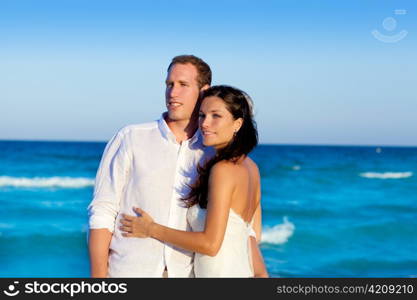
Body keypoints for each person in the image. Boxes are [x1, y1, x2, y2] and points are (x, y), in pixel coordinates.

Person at [88, 55, 267, 277]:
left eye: (183, 85)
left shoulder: (217, 157)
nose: (173, 93)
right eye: (169, 84)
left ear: (203, 90)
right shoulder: (131, 138)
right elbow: (103, 212)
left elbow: (244, 232)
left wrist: (152, 229)